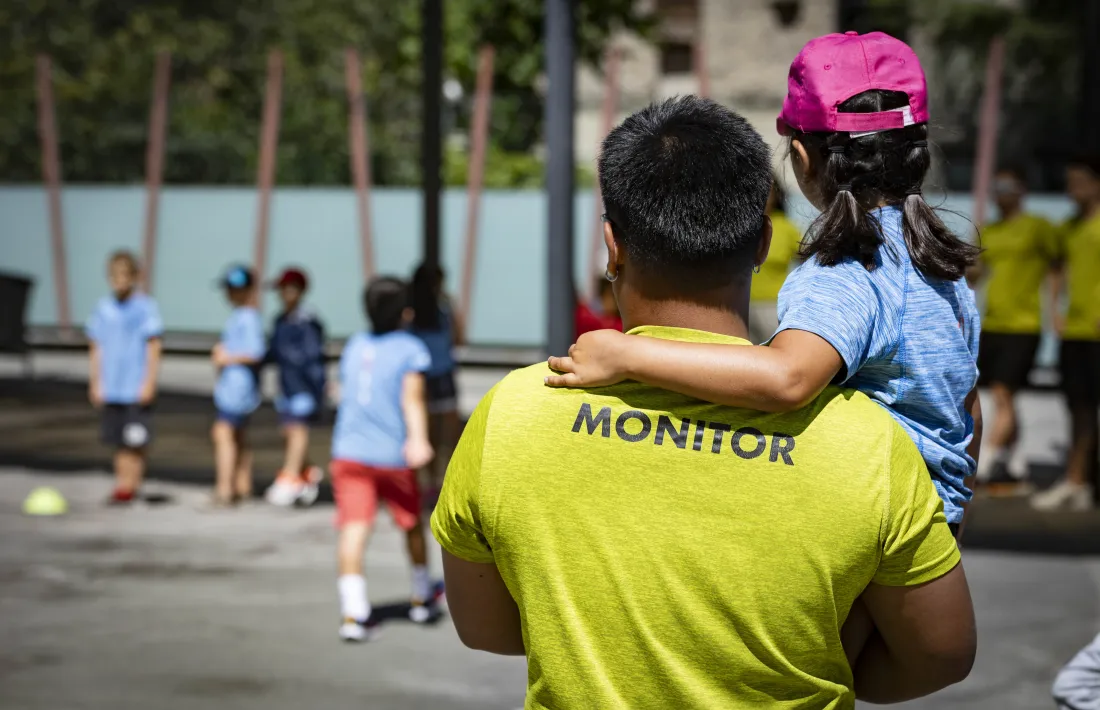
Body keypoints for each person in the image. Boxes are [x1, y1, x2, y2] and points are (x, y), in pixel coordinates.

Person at [433, 95, 975, 707]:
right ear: (765, 242)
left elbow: (487, 629)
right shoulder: (872, 443)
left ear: (613, 246)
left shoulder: (516, 411)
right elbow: (941, 653)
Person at [546, 31, 983, 536]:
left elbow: (787, 379)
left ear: (801, 155)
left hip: (874, 528)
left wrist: (626, 357)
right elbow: (967, 406)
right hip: (935, 519)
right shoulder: (938, 268)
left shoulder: (848, 271)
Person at [332, 277, 439, 642]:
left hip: (348, 452)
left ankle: (353, 612)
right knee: (410, 524)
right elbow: (413, 399)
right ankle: (422, 596)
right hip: (391, 455)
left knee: (353, 529)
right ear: (405, 312)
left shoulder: (355, 344)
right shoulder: (410, 348)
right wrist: (420, 440)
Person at [969, 166, 1059, 490]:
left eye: (1008, 186)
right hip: (993, 322)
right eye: (997, 186)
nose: (1001, 192)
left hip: (1025, 324)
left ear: (1022, 190)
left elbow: (1057, 267)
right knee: (1003, 395)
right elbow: (975, 275)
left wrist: (1055, 309)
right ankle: (1017, 464)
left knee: (1005, 393)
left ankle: (987, 462)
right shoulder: (989, 231)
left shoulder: (1039, 228)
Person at [1032, 155, 1100, 511]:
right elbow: (1056, 268)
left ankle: (1083, 480)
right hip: (1076, 331)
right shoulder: (1070, 227)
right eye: (1069, 183)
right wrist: (1055, 309)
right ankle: (1078, 481)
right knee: (1079, 408)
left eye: (1079, 182)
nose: (1072, 190)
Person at [85, 250, 163, 505]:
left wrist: (149, 381)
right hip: (113, 385)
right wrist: (96, 381)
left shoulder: (145, 307)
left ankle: (133, 483)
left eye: (124, 276)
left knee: (136, 439)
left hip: (135, 385)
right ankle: (122, 484)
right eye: (114, 276)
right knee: (117, 439)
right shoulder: (103, 308)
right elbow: (96, 346)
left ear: (134, 277)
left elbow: (153, 345)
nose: (119, 282)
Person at [263, 267, 326, 507]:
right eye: (282, 289)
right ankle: (307, 472)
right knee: (288, 432)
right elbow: (272, 352)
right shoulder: (280, 319)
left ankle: (289, 477)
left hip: (304, 387)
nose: (285, 293)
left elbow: (312, 357)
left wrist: (318, 389)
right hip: (286, 385)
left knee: (297, 429)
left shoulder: (307, 320)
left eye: (290, 288)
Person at [210, 265, 265, 507]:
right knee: (239, 436)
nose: (230, 293)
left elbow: (256, 352)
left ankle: (224, 489)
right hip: (234, 387)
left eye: (235, 289)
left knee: (222, 433)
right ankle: (243, 485)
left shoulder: (249, 317)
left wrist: (226, 357)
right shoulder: (240, 316)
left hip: (237, 389)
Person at [409, 263, 463, 501]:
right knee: (436, 431)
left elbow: (458, 337)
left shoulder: (442, 310)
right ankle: (435, 482)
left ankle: (439, 480)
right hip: (431, 375)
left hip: (439, 374)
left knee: (445, 432)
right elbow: (459, 338)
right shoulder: (415, 312)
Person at [748, 177, 802, 343]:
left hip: (773, 307)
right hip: (741, 306)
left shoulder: (787, 227)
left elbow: (808, 260)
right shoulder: (741, 225)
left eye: (768, 193)